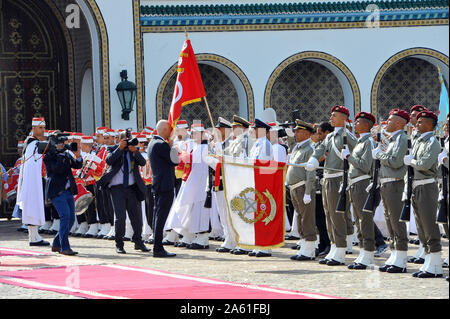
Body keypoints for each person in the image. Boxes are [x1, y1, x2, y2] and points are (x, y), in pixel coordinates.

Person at [306, 106, 357, 266]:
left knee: (337, 215)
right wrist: (314, 158)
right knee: (329, 215)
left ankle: (341, 250)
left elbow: (356, 155)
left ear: (343, 118)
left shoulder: (347, 136)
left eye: (334, 115)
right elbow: (320, 148)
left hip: (339, 178)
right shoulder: (330, 137)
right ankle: (334, 246)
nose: (331, 118)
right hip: (327, 178)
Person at [404, 110, 443, 278]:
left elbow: (425, 164)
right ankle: (428, 259)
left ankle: (435, 263)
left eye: (420, 122)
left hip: (427, 186)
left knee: (429, 225)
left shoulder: (432, 142)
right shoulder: (419, 141)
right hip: (416, 185)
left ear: (429, 124)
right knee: (421, 226)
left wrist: (411, 161)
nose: (417, 124)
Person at [372, 108, 409, 273]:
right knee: (389, 221)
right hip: (387, 182)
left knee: (396, 221)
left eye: (391, 120)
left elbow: (395, 161)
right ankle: (395, 253)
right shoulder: (393, 140)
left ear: (400, 123)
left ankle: (401, 256)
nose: (387, 122)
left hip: (395, 183)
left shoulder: (401, 138)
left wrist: (379, 155)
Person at [101, 131, 150, 254]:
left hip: (132, 187)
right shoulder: (112, 148)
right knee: (120, 217)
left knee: (136, 217)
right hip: (117, 188)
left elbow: (143, 163)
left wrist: (135, 151)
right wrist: (120, 148)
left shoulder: (133, 150)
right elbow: (109, 161)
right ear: (118, 139)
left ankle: (138, 242)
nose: (127, 141)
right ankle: (119, 244)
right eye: (124, 139)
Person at [341, 112, 377, 270]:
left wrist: (349, 156)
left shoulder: (368, 142)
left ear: (367, 125)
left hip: (362, 183)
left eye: (358, 122)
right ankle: (363, 251)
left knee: (364, 219)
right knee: (358, 219)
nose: (355, 124)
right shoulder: (360, 142)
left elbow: (365, 165)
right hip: (354, 183)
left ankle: (368, 253)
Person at [44, 132, 83, 255]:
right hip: (56, 191)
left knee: (71, 219)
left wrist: (77, 155)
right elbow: (56, 169)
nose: (62, 146)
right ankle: (64, 247)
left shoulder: (65, 154)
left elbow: (77, 165)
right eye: (60, 144)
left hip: (68, 191)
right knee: (65, 216)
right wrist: (61, 154)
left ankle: (56, 243)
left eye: (63, 144)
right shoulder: (48, 156)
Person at [15, 117, 50, 246]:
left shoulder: (32, 143)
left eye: (44, 128)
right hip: (32, 182)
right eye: (40, 128)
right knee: (33, 206)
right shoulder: (33, 143)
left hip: (34, 180)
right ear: (33, 129)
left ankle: (34, 236)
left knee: (33, 207)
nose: (43, 130)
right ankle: (34, 237)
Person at [148, 120, 179, 257]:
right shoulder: (162, 145)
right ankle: (158, 248)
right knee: (160, 217)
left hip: (158, 184)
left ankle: (157, 246)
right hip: (165, 185)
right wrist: (172, 146)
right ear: (165, 130)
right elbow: (175, 161)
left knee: (157, 215)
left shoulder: (152, 143)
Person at [287, 120, 317, 261]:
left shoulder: (309, 149)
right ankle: (304, 245)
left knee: (307, 219)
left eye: (298, 131)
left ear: (306, 133)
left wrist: (308, 192)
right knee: (300, 217)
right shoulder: (298, 148)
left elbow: (311, 172)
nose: (295, 134)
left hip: (303, 187)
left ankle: (309, 249)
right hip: (294, 187)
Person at [247, 119, 274, 258]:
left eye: (255, 129)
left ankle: (266, 246)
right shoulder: (256, 145)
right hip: (254, 183)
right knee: (256, 215)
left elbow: (265, 168)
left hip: (263, 184)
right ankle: (259, 244)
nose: (252, 131)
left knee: (264, 214)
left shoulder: (266, 145)